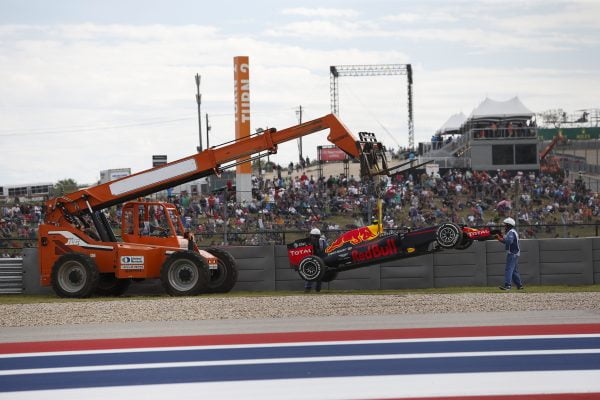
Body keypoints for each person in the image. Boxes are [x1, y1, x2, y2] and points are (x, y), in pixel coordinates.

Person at [496, 217, 524, 290]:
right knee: (514, 270)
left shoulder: (511, 232)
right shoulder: (511, 232)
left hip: (512, 253)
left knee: (509, 269)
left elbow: (509, 241)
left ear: (508, 225)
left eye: (505, 225)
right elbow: (507, 240)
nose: (504, 226)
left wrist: (500, 239)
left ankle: (507, 285)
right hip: (515, 253)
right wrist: (501, 238)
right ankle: (519, 285)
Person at [304, 228, 328, 293]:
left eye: (316, 236)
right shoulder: (307, 242)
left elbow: (327, 250)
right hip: (311, 259)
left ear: (319, 236)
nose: (314, 238)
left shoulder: (323, 242)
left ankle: (318, 289)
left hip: (321, 259)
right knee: (310, 273)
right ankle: (308, 288)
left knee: (320, 274)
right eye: (313, 236)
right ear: (310, 236)